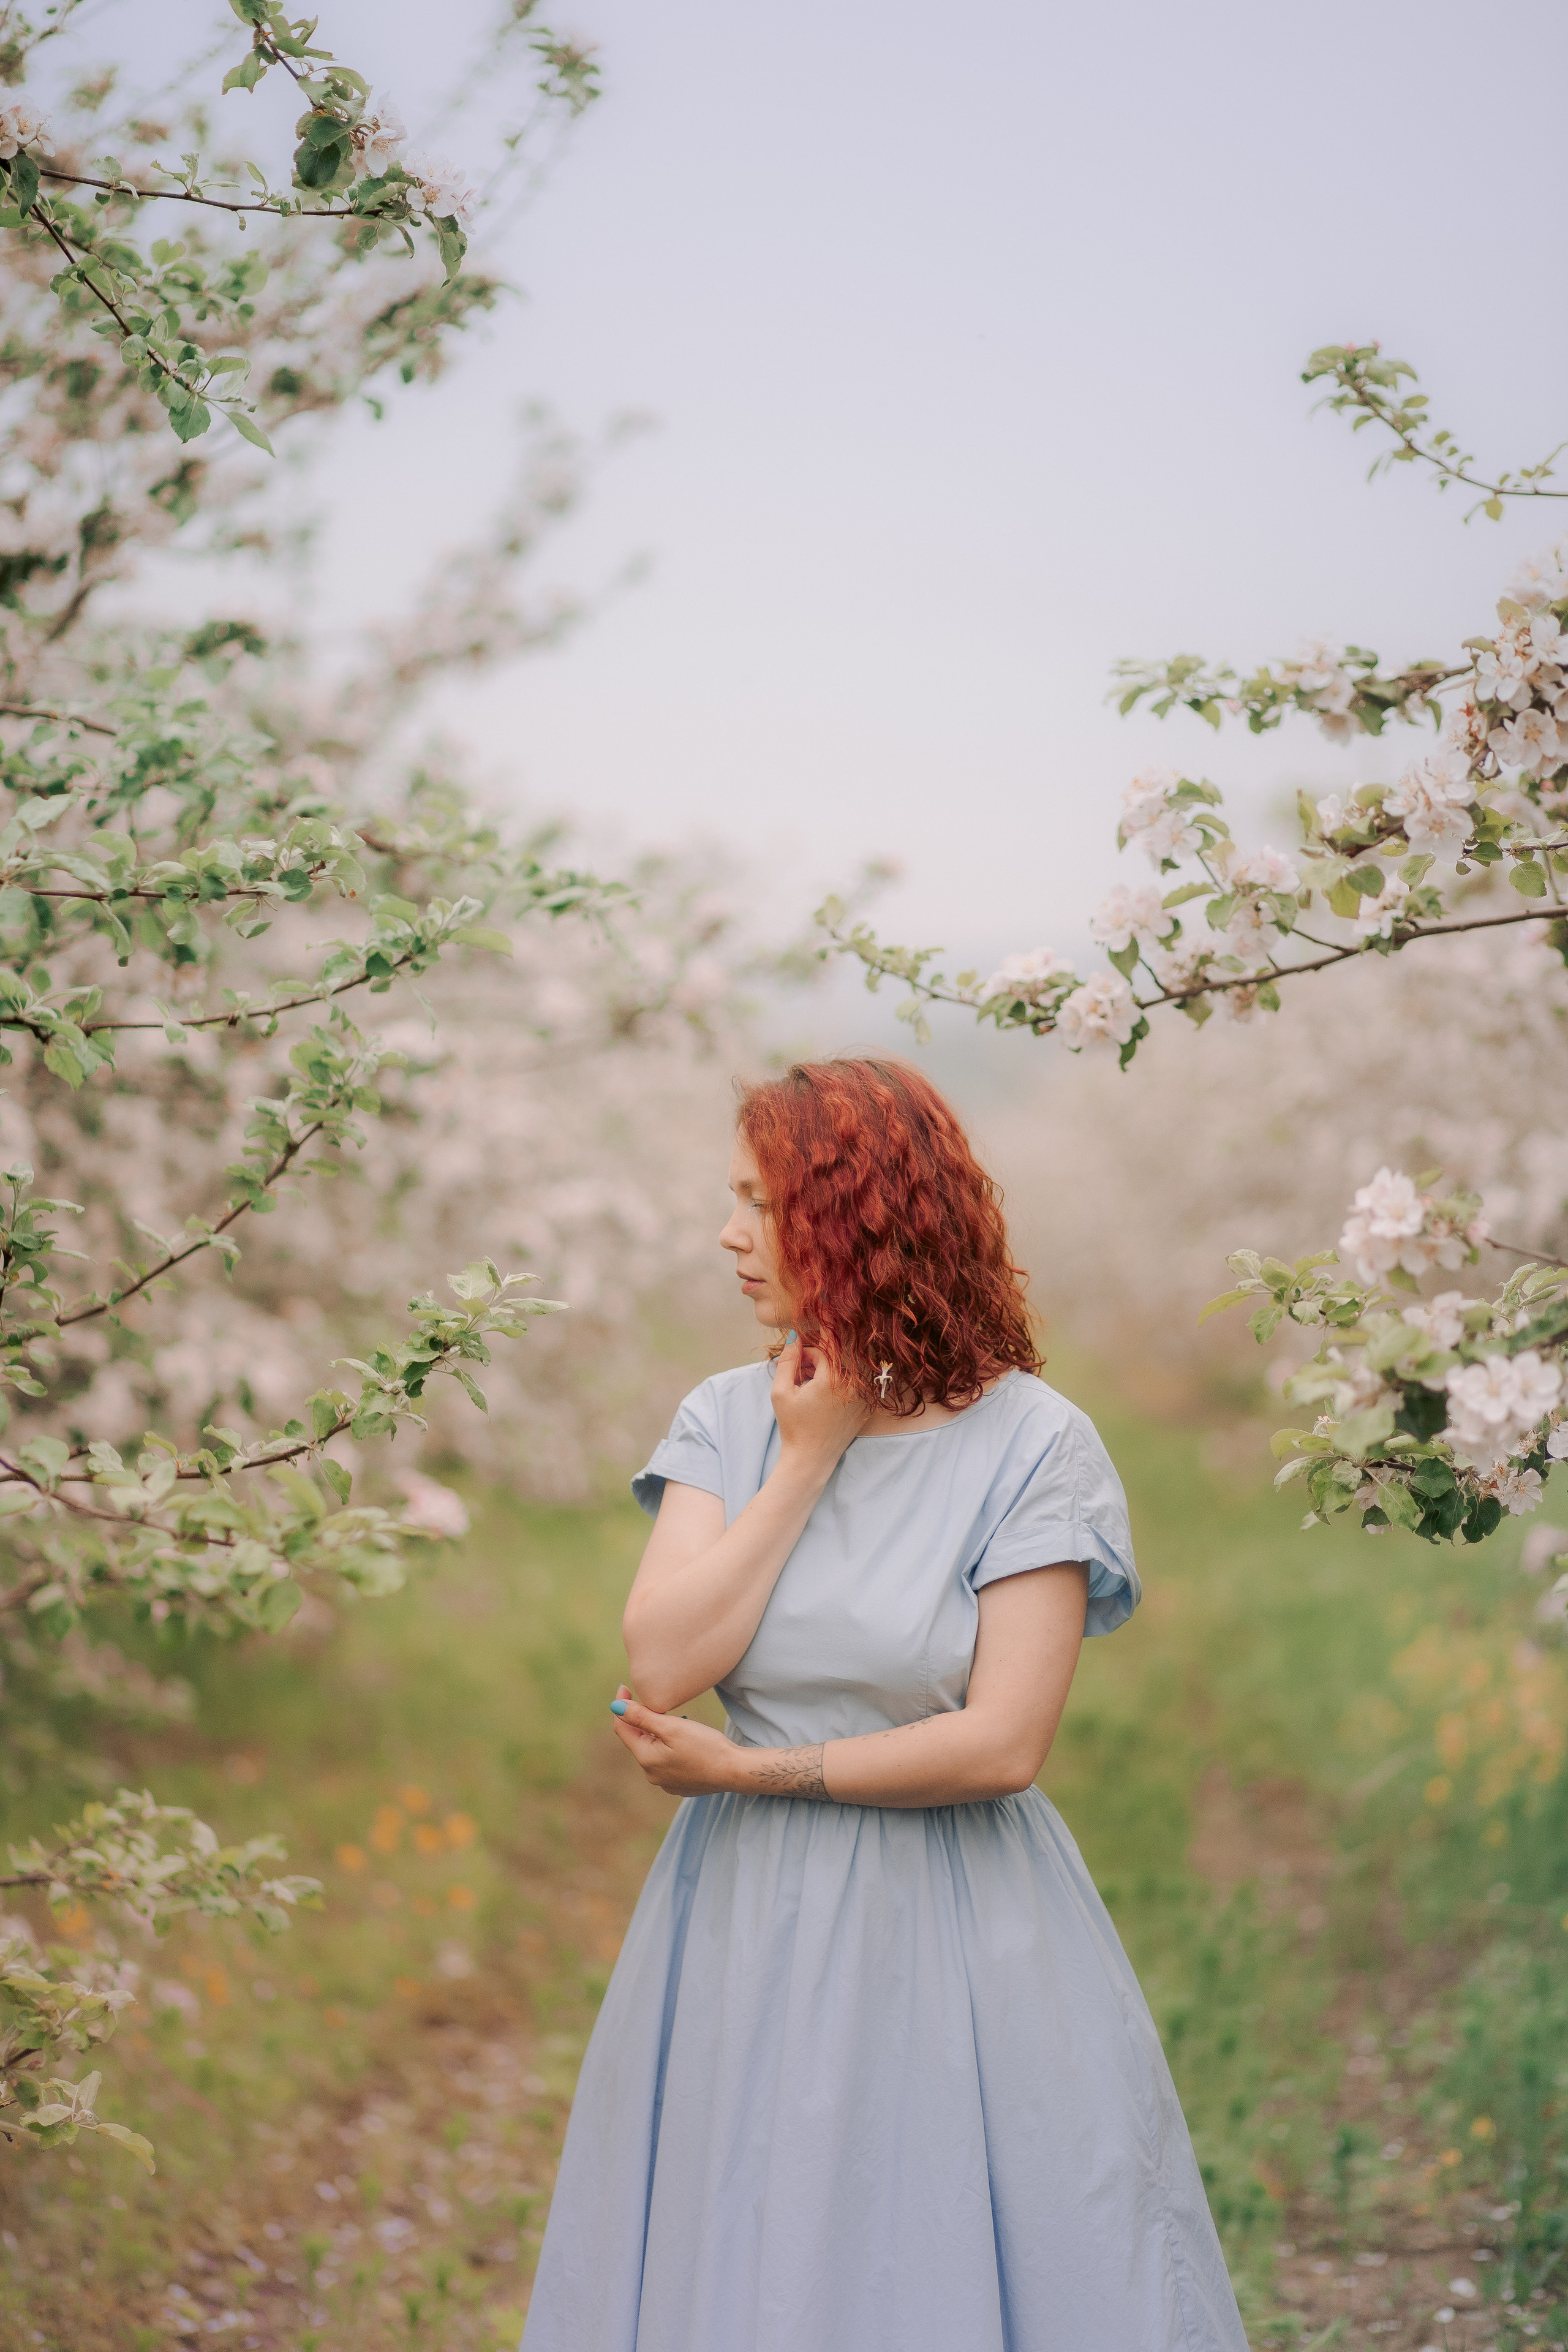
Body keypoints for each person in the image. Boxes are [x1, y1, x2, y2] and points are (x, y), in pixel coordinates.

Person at [521, 1057, 1248, 2352]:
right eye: (729, 1201)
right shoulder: (725, 1420)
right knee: (754, 2247)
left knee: (943, 2248)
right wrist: (805, 1459)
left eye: (763, 1205)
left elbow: (1002, 1743)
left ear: (861, 1222)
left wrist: (752, 1775)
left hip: (956, 1919)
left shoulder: (1034, 1444)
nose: (727, 1237)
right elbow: (663, 1664)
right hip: (743, 1919)